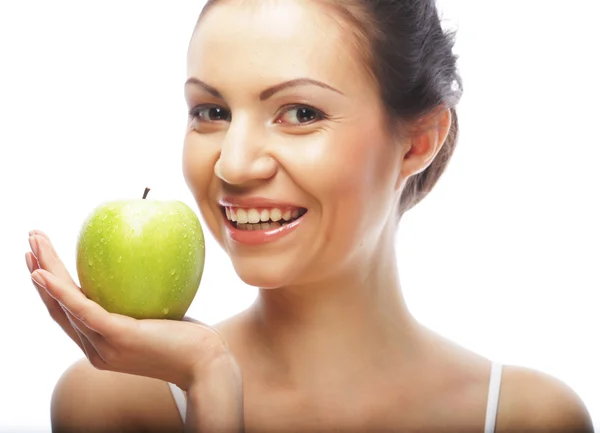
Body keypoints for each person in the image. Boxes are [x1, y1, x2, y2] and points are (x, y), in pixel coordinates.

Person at [25, 0, 594, 432]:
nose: (234, 163)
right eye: (212, 111)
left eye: (299, 112)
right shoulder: (113, 404)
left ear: (418, 142)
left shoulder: (530, 418)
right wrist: (210, 383)